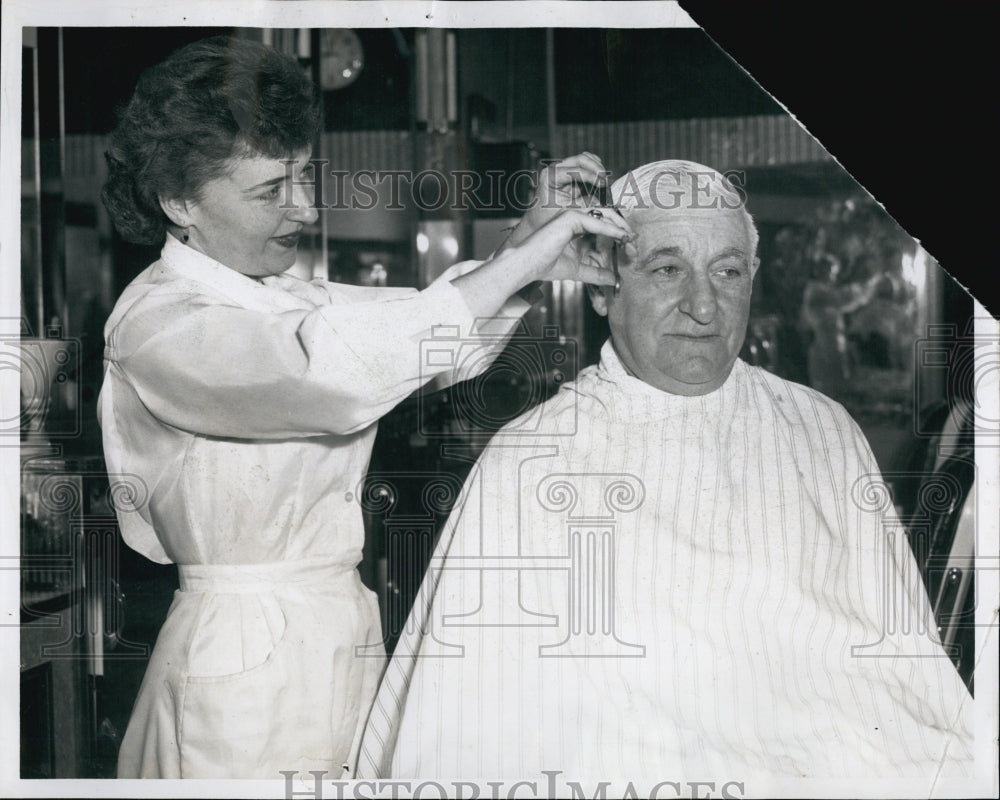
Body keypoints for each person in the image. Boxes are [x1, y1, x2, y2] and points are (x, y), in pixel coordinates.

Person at [97, 35, 630, 779]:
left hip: (338, 637)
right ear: (178, 200)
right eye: (270, 190)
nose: (306, 207)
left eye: (305, 177)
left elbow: (422, 336)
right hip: (239, 671)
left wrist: (529, 241)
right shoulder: (159, 325)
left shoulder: (281, 295)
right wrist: (519, 262)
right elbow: (330, 376)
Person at [357, 160, 975, 792]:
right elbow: (474, 738)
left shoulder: (821, 430)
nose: (703, 305)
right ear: (602, 288)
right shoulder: (531, 460)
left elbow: (911, 672)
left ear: (753, 281)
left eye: (728, 271)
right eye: (667, 269)